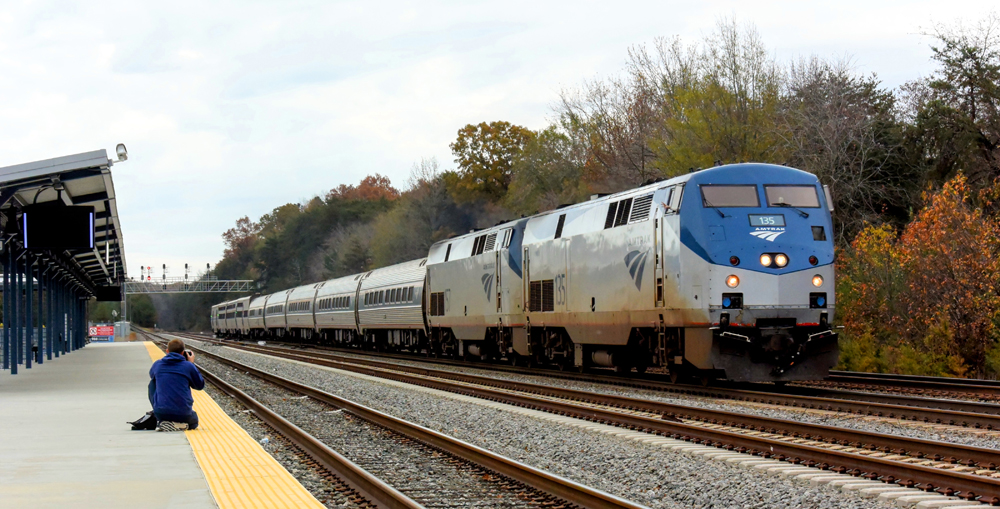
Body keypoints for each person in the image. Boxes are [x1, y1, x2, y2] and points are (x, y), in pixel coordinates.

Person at [148, 339, 205, 431]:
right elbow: (199, 386)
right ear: (183, 353)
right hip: (183, 414)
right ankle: (179, 425)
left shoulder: (157, 365)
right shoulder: (188, 366)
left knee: (153, 383)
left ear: (167, 351)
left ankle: (164, 419)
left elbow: (152, 375)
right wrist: (192, 364)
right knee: (194, 421)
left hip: (160, 413)